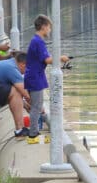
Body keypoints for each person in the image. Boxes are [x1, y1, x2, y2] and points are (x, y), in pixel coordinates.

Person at [24, 15, 70, 144]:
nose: (50, 30)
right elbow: (47, 60)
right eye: (49, 27)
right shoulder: (38, 41)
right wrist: (62, 58)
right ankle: (33, 135)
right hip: (35, 78)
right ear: (43, 27)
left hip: (34, 76)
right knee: (36, 107)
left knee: (37, 106)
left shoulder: (36, 40)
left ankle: (35, 131)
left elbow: (45, 57)